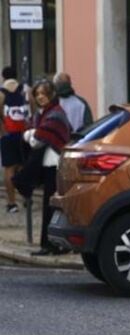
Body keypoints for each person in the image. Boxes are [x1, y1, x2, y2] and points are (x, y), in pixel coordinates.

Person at [15, 80, 70, 256]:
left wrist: (30, 134)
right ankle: (50, 244)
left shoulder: (55, 114)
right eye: (37, 94)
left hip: (54, 165)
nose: (40, 97)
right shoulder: (43, 113)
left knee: (52, 206)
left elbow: (37, 140)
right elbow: (33, 133)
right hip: (46, 165)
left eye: (44, 93)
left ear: (52, 94)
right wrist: (32, 133)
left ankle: (52, 244)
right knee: (49, 206)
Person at [0, 66, 29, 214]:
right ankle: (26, 198)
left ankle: (12, 203)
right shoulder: (25, 89)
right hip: (24, 134)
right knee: (23, 166)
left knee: (9, 169)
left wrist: (3, 131)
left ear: (3, 77)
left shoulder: (1, 93)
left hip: (8, 134)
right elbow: (33, 110)